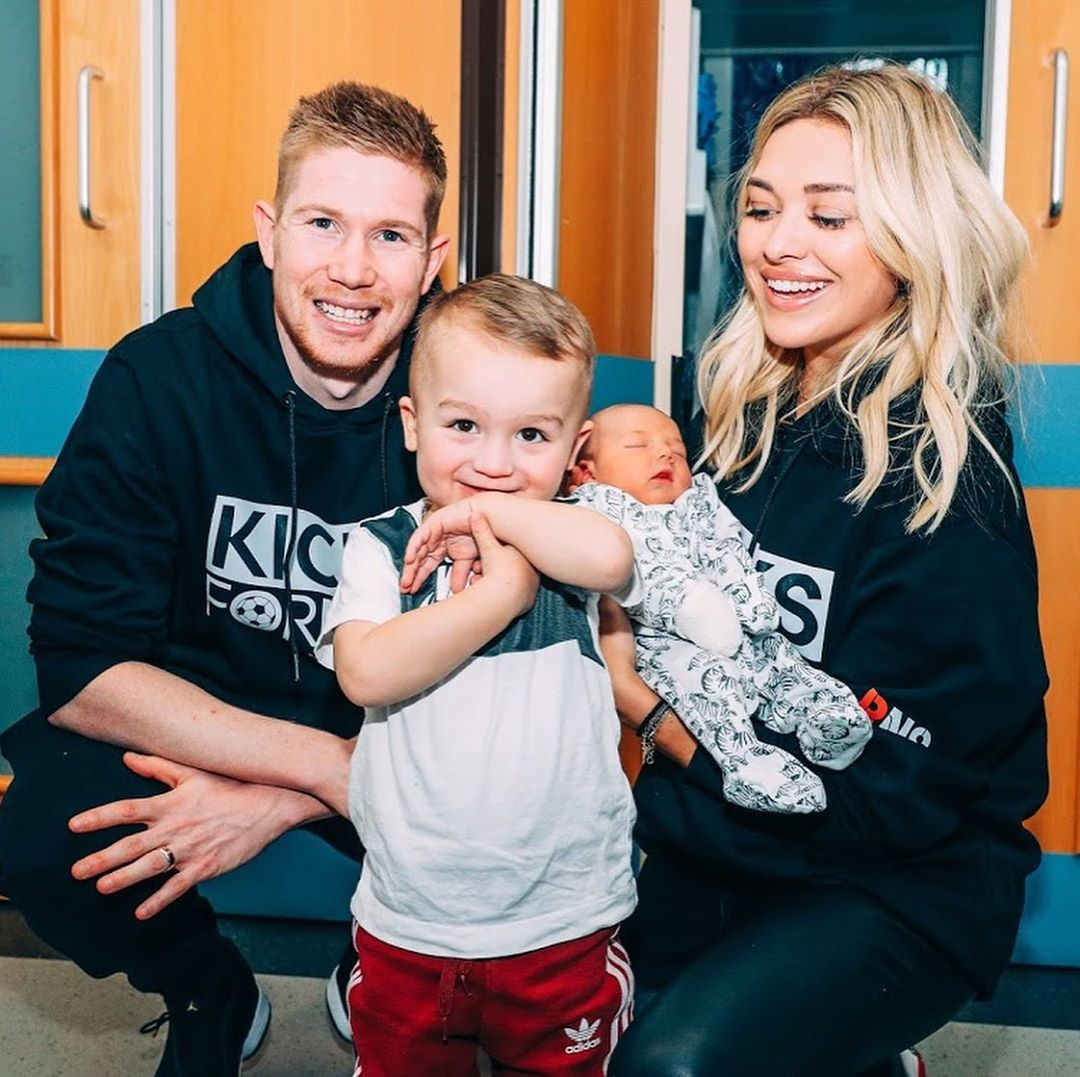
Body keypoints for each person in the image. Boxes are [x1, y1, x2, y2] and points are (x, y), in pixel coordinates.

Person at [600, 65, 1049, 1077]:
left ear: (910, 237)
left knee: (669, 1069)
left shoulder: (951, 482)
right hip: (719, 837)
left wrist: (654, 718)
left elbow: (902, 793)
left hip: (891, 882)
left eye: (829, 216)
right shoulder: (739, 418)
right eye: (761, 208)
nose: (777, 244)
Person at [0, 81, 450, 1076]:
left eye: (388, 236)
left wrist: (294, 787)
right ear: (270, 233)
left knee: (527, 823)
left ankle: (384, 964)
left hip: (396, 735)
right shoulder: (158, 379)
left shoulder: (468, 391)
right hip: (190, 708)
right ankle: (211, 985)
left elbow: (512, 659)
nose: (350, 268)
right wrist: (313, 767)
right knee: (45, 842)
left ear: (433, 261)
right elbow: (78, 662)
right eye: (323, 223)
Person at [305, 273, 638, 1075]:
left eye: (531, 436)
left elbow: (614, 558)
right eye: (464, 426)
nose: (494, 463)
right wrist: (501, 598)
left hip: (562, 919)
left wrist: (496, 527)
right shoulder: (381, 547)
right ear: (413, 425)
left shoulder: (574, 539)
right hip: (408, 920)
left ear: (574, 449)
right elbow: (366, 671)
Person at [569, 403, 871, 815]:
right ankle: (745, 763)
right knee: (710, 685)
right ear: (587, 473)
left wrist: (747, 596)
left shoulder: (700, 501)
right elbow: (639, 572)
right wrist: (693, 606)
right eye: (638, 446)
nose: (665, 454)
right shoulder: (596, 511)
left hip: (738, 628)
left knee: (781, 660)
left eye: (676, 447)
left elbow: (726, 548)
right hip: (664, 641)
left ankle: (822, 716)